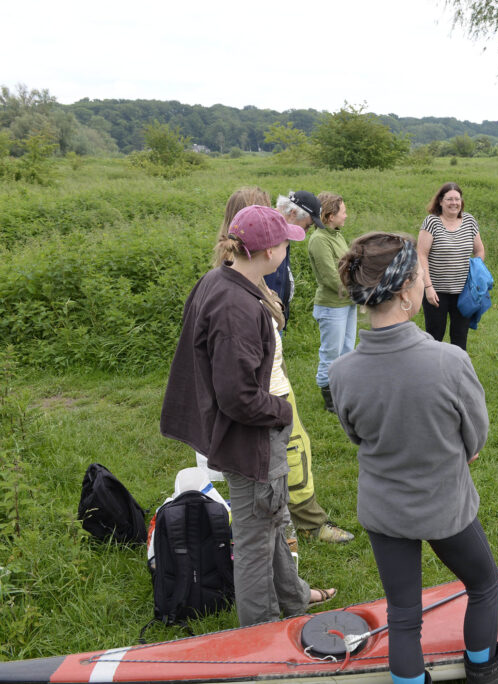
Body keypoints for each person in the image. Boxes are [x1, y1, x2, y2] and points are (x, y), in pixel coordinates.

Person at [329, 233, 498, 684]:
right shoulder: (450, 361)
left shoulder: (342, 373)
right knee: (484, 584)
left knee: (404, 615)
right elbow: (476, 436)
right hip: (445, 505)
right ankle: (484, 673)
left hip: (384, 509)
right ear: (409, 289)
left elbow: (356, 435)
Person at [161, 205, 335, 628]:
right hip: (251, 435)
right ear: (268, 250)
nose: (288, 248)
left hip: (248, 430)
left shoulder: (223, 278)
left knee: (271, 516)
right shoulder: (235, 306)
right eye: (284, 243)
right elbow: (237, 396)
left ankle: (292, 598)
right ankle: (262, 635)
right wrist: (282, 410)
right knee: (256, 539)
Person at [417, 182, 485, 350]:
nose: (454, 203)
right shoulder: (431, 222)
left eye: (457, 199)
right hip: (436, 292)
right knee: (434, 337)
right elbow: (421, 255)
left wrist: (476, 273)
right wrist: (428, 287)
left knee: (460, 338)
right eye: (449, 199)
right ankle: (433, 373)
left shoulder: (469, 220)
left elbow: (479, 250)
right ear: (440, 201)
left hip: (464, 293)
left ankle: (458, 374)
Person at [308, 191, 357, 412]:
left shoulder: (336, 235)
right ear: (329, 215)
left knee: (347, 349)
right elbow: (330, 277)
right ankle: (329, 400)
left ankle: (343, 393)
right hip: (331, 306)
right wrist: (358, 293)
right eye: (343, 212)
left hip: (347, 304)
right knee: (331, 352)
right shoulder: (319, 240)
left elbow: (348, 268)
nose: (346, 216)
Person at [266, 190, 323, 328]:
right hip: (267, 318)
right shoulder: (269, 232)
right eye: (307, 225)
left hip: (276, 316)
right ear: (293, 213)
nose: (307, 231)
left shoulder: (283, 233)